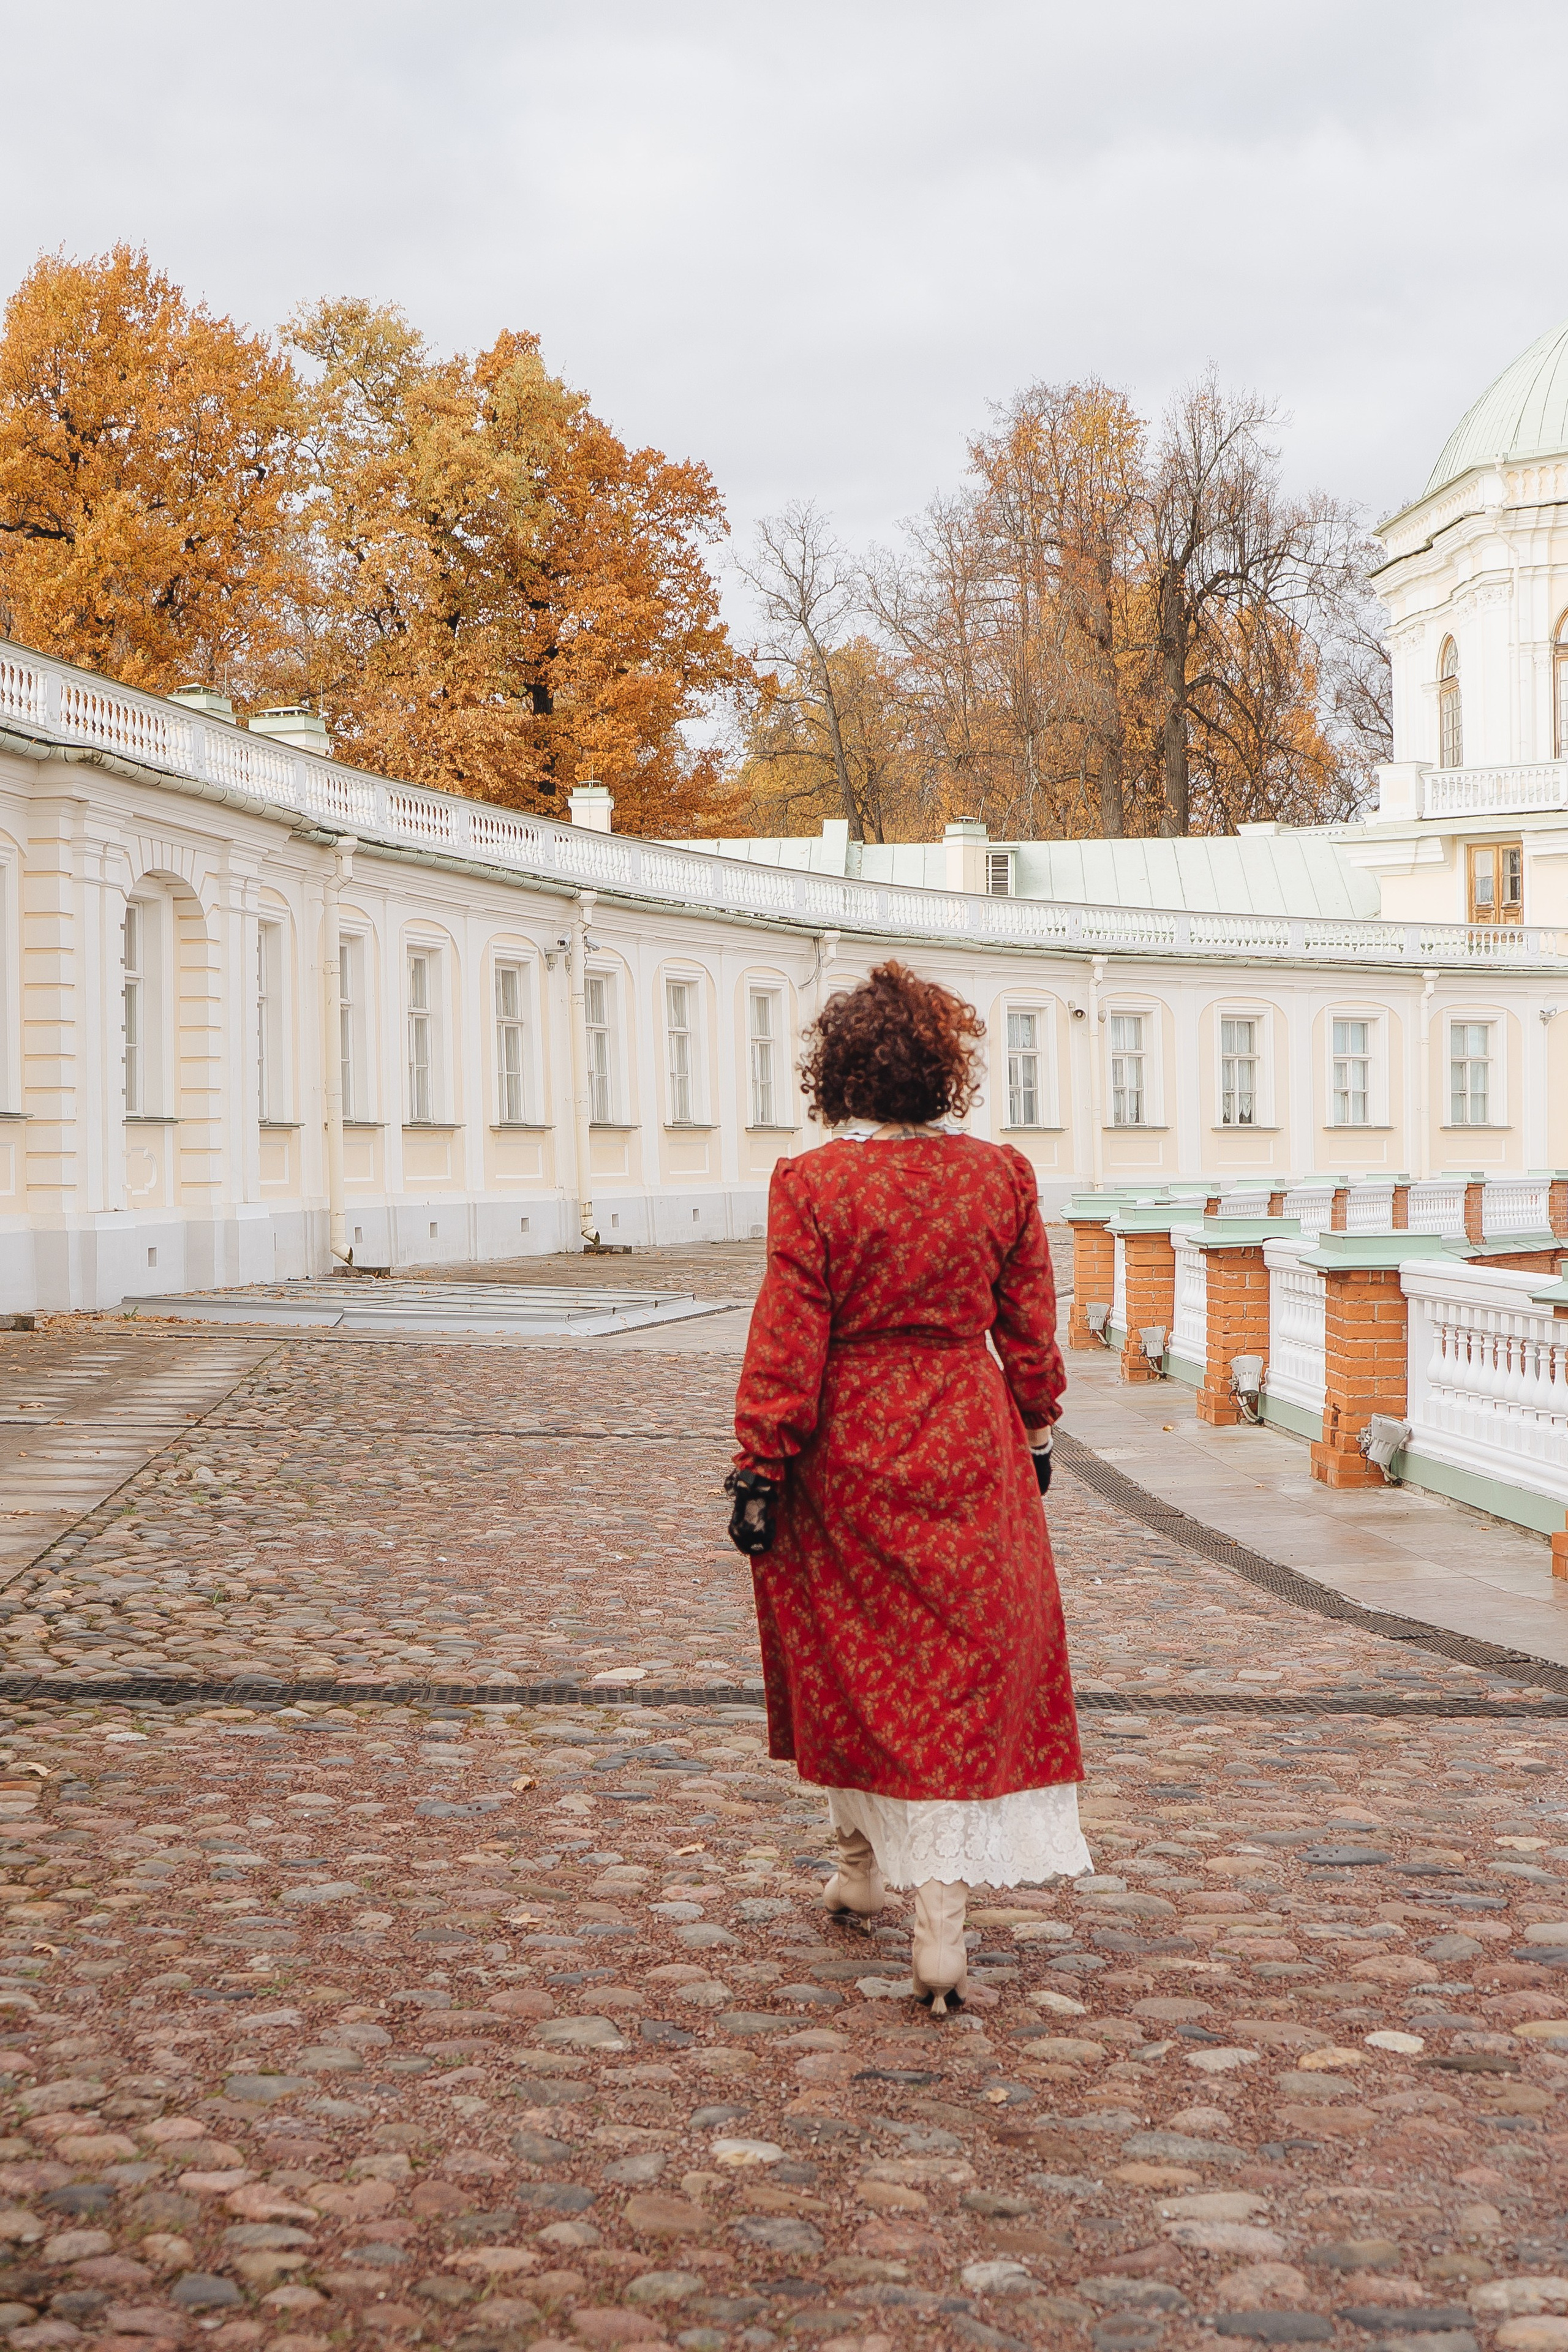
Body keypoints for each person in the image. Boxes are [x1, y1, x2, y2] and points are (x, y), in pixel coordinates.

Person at [726, 960, 1090, 2015]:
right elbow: (1029, 1327)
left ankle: (861, 1862)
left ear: (839, 1071)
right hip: (967, 1429)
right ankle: (929, 1911)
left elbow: (788, 1335)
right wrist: (1034, 1425)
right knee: (959, 1666)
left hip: (848, 1440)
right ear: (946, 1072)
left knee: (845, 1651)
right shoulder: (1001, 1177)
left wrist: (762, 1457)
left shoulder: (813, 1183)